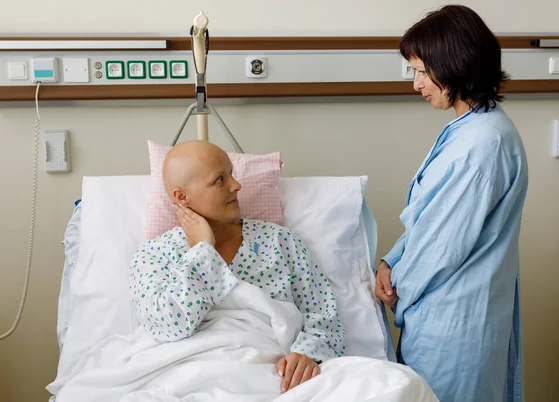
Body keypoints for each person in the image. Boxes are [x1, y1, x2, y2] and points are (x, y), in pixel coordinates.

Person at [375, 5, 528, 402]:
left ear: (455, 64)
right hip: (447, 316)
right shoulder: (468, 128)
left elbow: (440, 249)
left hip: (454, 330)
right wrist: (391, 260)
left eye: (422, 71)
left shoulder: (482, 144)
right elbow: (428, 220)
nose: (415, 83)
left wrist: (398, 297)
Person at [128, 140, 345, 393]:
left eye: (231, 174)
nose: (236, 185)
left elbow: (324, 315)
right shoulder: (153, 255)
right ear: (181, 197)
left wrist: (307, 354)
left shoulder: (280, 242)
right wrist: (202, 250)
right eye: (220, 180)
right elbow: (168, 326)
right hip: (184, 374)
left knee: (389, 381)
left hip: (274, 375)